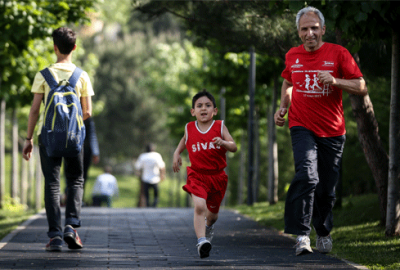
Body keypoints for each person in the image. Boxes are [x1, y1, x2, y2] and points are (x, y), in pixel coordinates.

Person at [274, 6, 368, 256]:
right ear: (298, 32)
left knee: (326, 189)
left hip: (333, 131)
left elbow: (361, 86)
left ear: (323, 29)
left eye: (314, 28)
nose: (310, 33)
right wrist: (282, 107)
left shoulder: (339, 53)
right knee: (307, 176)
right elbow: (287, 81)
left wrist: (336, 81)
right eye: (304, 29)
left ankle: (323, 231)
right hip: (301, 126)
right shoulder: (292, 55)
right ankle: (302, 235)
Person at [22, 27, 94, 252]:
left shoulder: (43, 74)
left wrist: (28, 138)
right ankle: (71, 227)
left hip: (48, 137)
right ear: (74, 47)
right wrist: (72, 126)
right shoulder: (81, 75)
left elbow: (34, 110)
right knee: (75, 180)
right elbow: (88, 111)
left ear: (55, 47)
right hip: (74, 139)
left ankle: (54, 236)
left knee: (52, 184)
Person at [173, 89, 237, 259]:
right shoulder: (189, 127)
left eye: (208, 105)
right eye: (199, 106)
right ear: (193, 111)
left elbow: (234, 146)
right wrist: (176, 153)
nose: (203, 108)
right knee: (200, 206)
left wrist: (223, 142)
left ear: (214, 111)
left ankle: (208, 227)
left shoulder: (220, 126)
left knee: (213, 215)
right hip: (197, 175)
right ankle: (201, 241)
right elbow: (184, 140)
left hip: (217, 177)